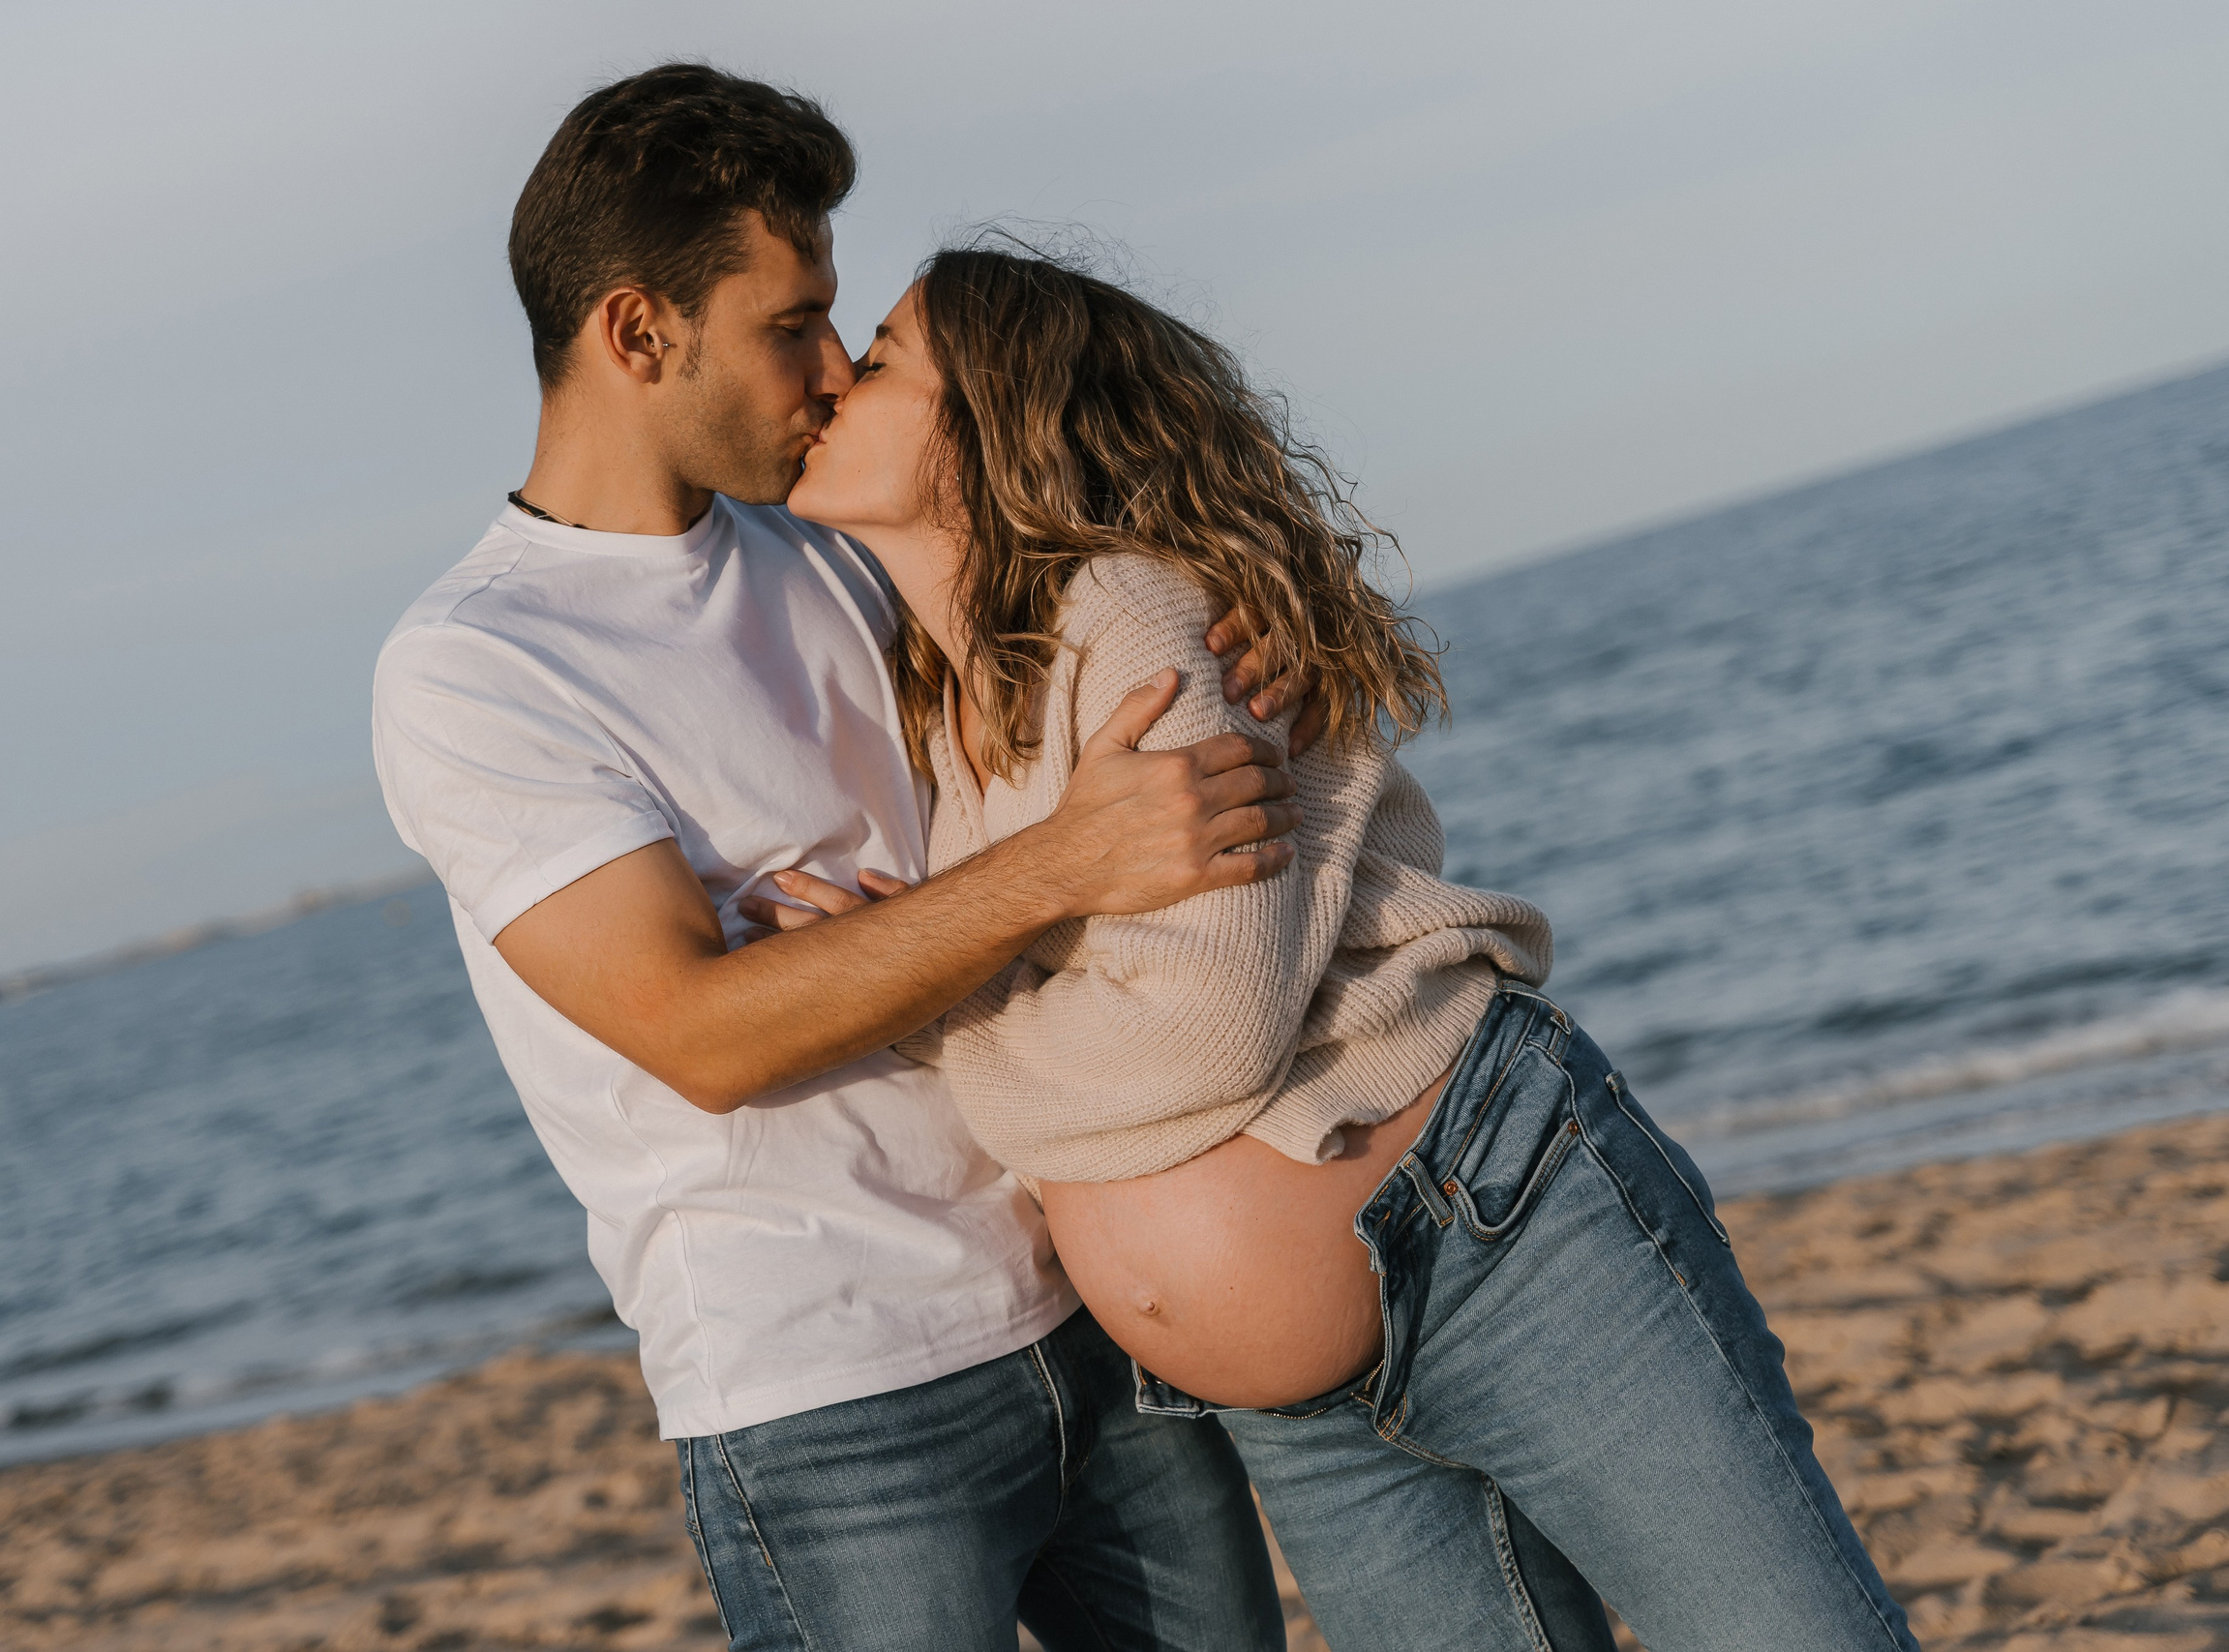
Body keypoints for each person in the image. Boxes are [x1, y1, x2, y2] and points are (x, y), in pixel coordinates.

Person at [778, 245, 1921, 1652]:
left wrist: (930, 1002)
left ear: (991, 420)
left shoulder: (1129, 626)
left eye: (882, 354)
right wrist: (945, 961)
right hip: (1299, 1406)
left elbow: (1203, 1028)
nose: (836, 379)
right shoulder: (951, 704)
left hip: (1492, 1238)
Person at [371, 65, 1315, 1652]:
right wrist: (1061, 869)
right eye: (791, 322)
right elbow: (703, 1034)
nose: (832, 367)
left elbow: (1080, 638)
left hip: (1094, 1314)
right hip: (832, 1398)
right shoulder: (477, 667)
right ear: (636, 331)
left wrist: (1246, 629)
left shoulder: (828, 550)